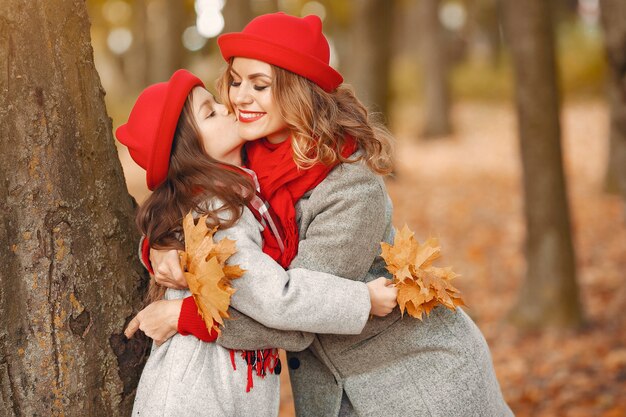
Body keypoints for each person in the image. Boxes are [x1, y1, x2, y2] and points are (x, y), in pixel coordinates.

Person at [135, 13, 513, 417]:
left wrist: (185, 316)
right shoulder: (245, 159)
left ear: (297, 93)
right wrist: (162, 246)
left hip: (415, 379)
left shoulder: (349, 188)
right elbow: (193, 193)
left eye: (259, 85)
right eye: (236, 81)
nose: (239, 98)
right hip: (336, 388)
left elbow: (295, 322)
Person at [116, 69, 398, 416]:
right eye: (210, 112)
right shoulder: (219, 214)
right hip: (200, 390)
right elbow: (274, 299)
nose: (229, 106)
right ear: (188, 151)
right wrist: (361, 300)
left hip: (230, 383)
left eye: (216, 102)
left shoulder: (242, 187)